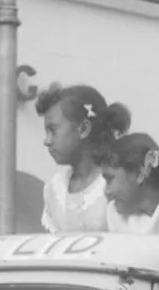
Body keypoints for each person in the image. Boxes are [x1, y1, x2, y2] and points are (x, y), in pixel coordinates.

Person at [37, 84, 131, 233]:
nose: (46, 141)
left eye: (52, 130)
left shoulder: (116, 183)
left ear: (83, 129)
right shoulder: (54, 189)